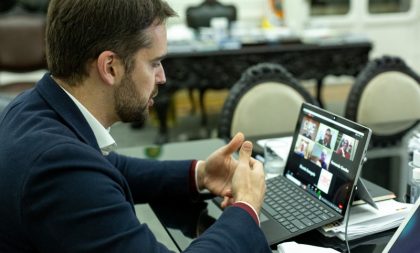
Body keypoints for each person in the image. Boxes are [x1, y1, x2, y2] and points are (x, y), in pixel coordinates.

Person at [0, 1, 270, 252]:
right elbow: (83, 174)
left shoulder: (30, 106)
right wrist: (246, 207)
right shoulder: (59, 169)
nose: (162, 77)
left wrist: (200, 174)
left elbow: (109, 166)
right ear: (111, 67)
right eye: (154, 63)